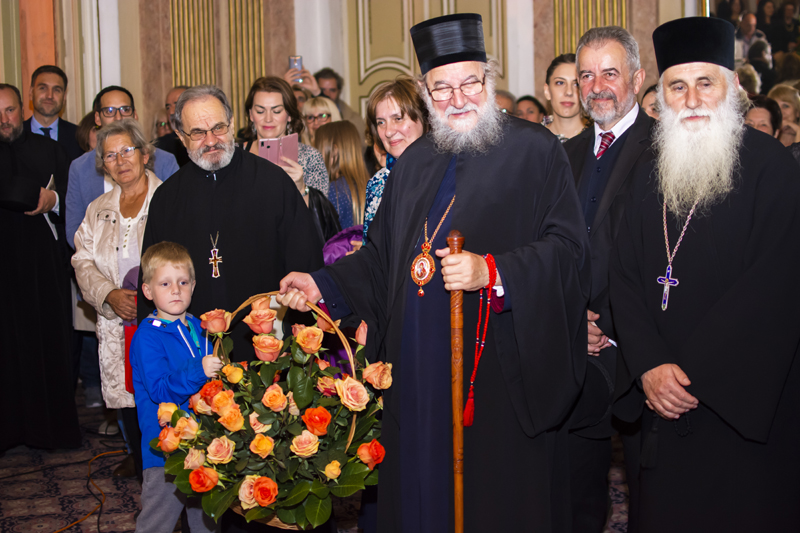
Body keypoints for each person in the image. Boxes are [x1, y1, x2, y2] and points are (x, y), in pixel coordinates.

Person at [277, 13, 591, 533]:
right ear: (425, 92)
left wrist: (491, 271)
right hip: (417, 370)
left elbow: (568, 251)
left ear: (490, 81)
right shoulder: (416, 161)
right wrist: (323, 284)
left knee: (493, 502)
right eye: (441, 87)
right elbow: (381, 257)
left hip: (493, 371)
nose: (457, 97)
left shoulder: (536, 152)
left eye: (469, 81)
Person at [611, 17, 800, 532]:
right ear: (662, 95)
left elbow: (776, 287)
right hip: (663, 404)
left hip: (741, 409)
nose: (691, 98)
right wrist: (649, 363)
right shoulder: (647, 173)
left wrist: (688, 372)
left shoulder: (774, 169)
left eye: (705, 82)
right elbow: (623, 276)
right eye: (677, 85)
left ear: (733, 88)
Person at [138, 85, 323, 357]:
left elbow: (305, 267)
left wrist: (299, 346)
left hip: (269, 347)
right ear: (180, 135)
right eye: (198, 133)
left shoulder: (273, 183)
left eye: (218, 128)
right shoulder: (167, 199)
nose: (211, 140)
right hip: (192, 351)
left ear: (233, 124)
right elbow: (153, 281)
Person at [563, 25, 654, 533]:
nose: (597, 86)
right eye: (586, 75)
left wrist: (614, 326)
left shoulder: (664, 149)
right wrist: (574, 320)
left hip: (640, 351)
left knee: (650, 498)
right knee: (579, 493)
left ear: (637, 79)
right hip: (576, 348)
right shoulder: (564, 156)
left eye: (610, 73)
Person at [72, 118, 164, 482]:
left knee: (163, 398)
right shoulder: (98, 208)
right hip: (115, 320)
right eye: (110, 155)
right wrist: (108, 294)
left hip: (161, 317)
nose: (120, 160)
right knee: (126, 395)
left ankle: (170, 481)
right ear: (102, 164)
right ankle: (143, 468)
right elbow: (81, 259)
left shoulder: (167, 197)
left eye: (127, 150)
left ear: (144, 154)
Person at [0, 83, 81, 453]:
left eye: (10, 110)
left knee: (45, 342)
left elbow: (74, 197)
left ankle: (50, 430)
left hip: (42, 269)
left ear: (23, 108)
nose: (5, 119)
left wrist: (54, 199)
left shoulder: (51, 150)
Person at [130, 242, 220, 533]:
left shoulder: (198, 326)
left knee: (207, 518)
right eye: (165, 283)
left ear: (193, 286)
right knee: (158, 520)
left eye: (183, 282)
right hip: (165, 451)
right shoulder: (147, 337)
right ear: (148, 291)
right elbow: (158, 390)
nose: (176, 290)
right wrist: (199, 370)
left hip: (203, 443)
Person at [66, 85, 179, 249]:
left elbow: (177, 218)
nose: (119, 117)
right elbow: (74, 231)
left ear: (135, 115)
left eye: (125, 109)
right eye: (109, 111)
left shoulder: (164, 161)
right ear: (97, 118)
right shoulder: (80, 168)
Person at [363, 76, 428, 243]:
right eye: (381, 122)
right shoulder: (378, 184)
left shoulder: (447, 172)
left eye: (398, 119)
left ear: (424, 118)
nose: (388, 131)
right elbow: (373, 256)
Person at [241, 76, 329, 198]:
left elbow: (319, 213)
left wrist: (301, 188)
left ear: (289, 115)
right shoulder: (235, 155)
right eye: (260, 111)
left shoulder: (310, 158)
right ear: (251, 115)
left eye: (276, 111)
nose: (268, 119)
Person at [314, 121, 369, 229]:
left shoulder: (334, 190)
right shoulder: (367, 183)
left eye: (318, 149)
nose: (315, 154)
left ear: (334, 151)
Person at [23, 65, 82, 162]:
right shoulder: (15, 135)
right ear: (31, 92)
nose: (49, 96)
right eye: (43, 88)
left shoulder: (79, 137)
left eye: (56, 90)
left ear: (64, 97)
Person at [314, 67, 368, 142]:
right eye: (322, 90)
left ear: (339, 92)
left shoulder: (353, 119)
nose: (327, 95)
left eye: (332, 90)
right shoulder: (306, 114)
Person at [543, 53, 588, 141]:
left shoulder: (598, 141)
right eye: (560, 83)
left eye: (576, 84)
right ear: (547, 91)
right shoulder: (532, 139)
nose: (569, 92)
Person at [154, 85, 190, 167]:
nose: (171, 112)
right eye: (168, 107)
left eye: (176, 104)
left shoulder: (208, 139)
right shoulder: (159, 147)